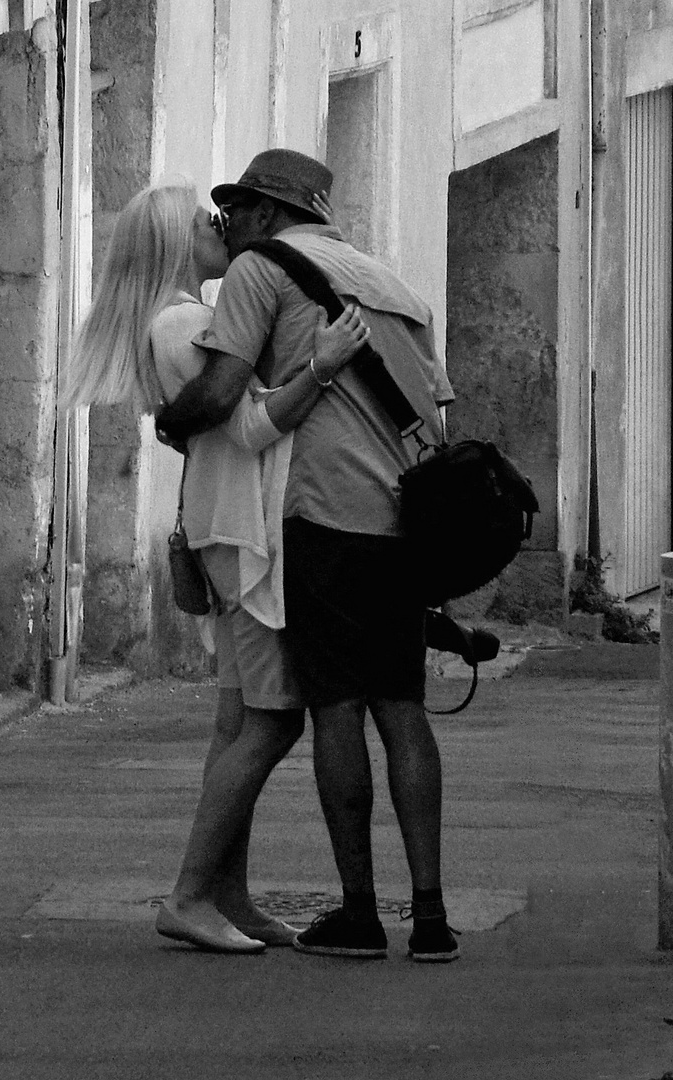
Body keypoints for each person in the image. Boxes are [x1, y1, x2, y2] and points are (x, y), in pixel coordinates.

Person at [156, 148, 462, 963]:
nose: (233, 226)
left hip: (322, 519)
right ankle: (430, 920)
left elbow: (220, 395)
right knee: (402, 712)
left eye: (239, 209)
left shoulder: (260, 269)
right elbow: (438, 404)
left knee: (334, 711)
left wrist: (168, 418)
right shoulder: (391, 282)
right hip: (405, 523)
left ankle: (360, 912)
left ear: (263, 212)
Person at [63, 182, 369, 953]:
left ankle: (224, 897)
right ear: (175, 239)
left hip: (224, 523)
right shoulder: (186, 323)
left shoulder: (174, 319)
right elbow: (255, 424)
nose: (222, 227)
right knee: (273, 719)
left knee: (238, 721)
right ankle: (191, 895)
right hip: (241, 530)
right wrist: (324, 365)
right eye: (207, 221)